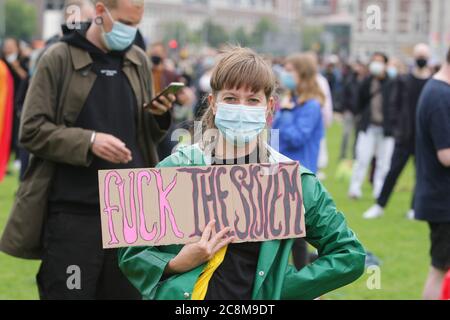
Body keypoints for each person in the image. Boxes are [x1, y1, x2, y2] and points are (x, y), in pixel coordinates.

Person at [118, 47, 366, 300]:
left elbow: (349, 254)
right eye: (231, 98)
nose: (241, 108)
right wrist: (175, 263)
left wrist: (281, 288)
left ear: (269, 106)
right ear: (213, 103)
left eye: (252, 100)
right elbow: (131, 253)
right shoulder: (178, 167)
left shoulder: (289, 180)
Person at [0, 0, 175, 300]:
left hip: (129, 219)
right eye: (125, 24)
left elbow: (143, 134)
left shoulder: (138, 60)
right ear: (99, 12)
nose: (130, 33)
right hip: (74, 217)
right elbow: (30, 130)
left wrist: (159, 116)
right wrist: (90, 141)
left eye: (136, 26)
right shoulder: (57, 57)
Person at [363, 44, 432, 219]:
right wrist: (396, 127)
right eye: (419, 55)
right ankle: (380, 204)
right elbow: (393, 105)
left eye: (424, 55)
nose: (421, 58)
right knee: (393, 171)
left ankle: (414, 208)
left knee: (421, 175)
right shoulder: (404, 81)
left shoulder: (432, 82)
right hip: (404, 135)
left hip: (424, 137)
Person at [274, 53, 325, 271]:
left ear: (302, 74)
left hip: (298, 172)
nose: (285, 74)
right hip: (279, 170)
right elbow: (273, 134)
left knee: (295, 233)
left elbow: (297, 137)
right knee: (285, 231)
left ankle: (305, 279)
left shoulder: (311, 106)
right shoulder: (289, 101)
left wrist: (284, 113)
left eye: (289, 70)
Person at [415, 47, 450, 300]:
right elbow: (446, 154)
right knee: (439, 269)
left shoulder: (438, 90)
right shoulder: (439, 95)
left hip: (440, 196)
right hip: (443, 200)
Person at [348, 52, 396, 199]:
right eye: (374, 61)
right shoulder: (366, 81)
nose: (376, 64)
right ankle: (355, 189)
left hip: (386, 129)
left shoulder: (392, 83)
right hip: (368, 126)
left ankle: (379, 190)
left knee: (384, 162)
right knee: (362, 158)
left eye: (379, 61)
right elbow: (357, 101)